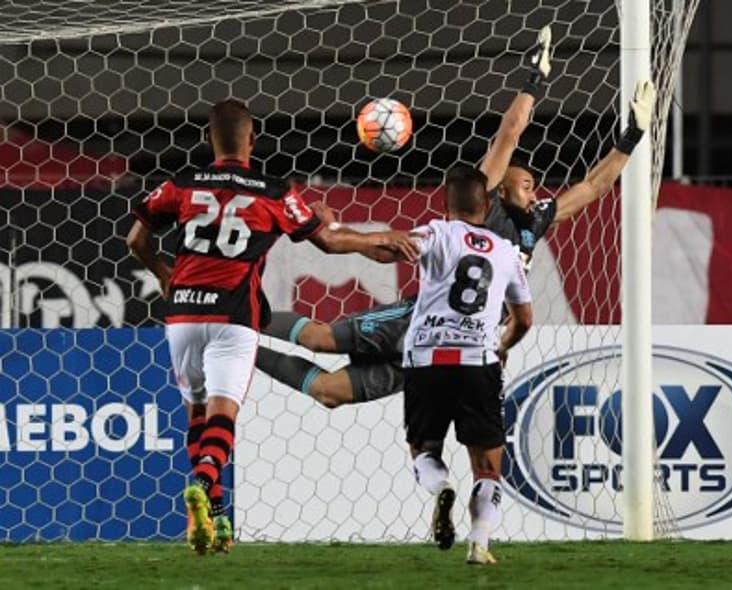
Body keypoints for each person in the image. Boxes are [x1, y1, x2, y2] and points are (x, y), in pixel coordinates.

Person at [255, 28, 655, 412]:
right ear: (497, 191)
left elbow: (591, 187)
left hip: (449, 349)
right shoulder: (481, 210)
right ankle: (238, 324)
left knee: (329, 392)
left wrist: (632, 136)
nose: (536, 193)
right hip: (421, 321)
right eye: (528, 184)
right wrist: (534, 79)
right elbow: (510, 133)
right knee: (321, 338)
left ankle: (241, 349)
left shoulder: (537, 222)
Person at [126, 99, 417, 555]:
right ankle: (204, 484)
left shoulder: (181, 184)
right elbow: (329, 241)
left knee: (197, 415)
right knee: (223, 416)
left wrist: (165, 275)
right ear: (253, 140)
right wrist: (378, 238)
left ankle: (215, 517)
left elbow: (136, 238)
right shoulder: (272, 190)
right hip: (233, 319)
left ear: (209, 140)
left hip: (182, 315)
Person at [402, 165, 532, 564]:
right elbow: (524, 318)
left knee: (423, 448)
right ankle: (479, 543)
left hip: (426, 357)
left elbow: (392, 247)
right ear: (488, 204)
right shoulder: (506, 251)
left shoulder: (436, 233)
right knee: (487, 467)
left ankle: (440, 485)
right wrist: (502, 341)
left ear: (445, 204)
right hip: (478, 359)